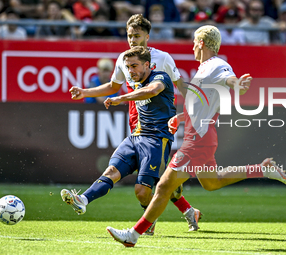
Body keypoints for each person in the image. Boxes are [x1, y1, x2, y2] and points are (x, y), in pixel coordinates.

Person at [106, 25, 286, 247]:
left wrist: (238, 84)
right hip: (204, 137)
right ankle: (261, 169)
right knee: (212, 182)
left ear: (201, 43)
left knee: (164, 186)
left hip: (198, 141)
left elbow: (229, 78)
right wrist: (181, 118)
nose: (192, 46)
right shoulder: (203, 69)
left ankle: (133, 235)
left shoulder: (216, 65)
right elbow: (204, 105)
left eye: (194, 42)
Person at [62, 14, 202, 235]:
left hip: (158, 132)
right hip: (137, 127)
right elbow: (112, 85)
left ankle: (172, 215)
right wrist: (85, 92)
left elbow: (170, 86)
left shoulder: (162, 60)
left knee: (157, 184)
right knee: (156, 180)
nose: (133, 40)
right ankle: (83, 199)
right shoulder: (124, 59)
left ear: (147, 36)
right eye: (129, 36)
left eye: (137, 35)